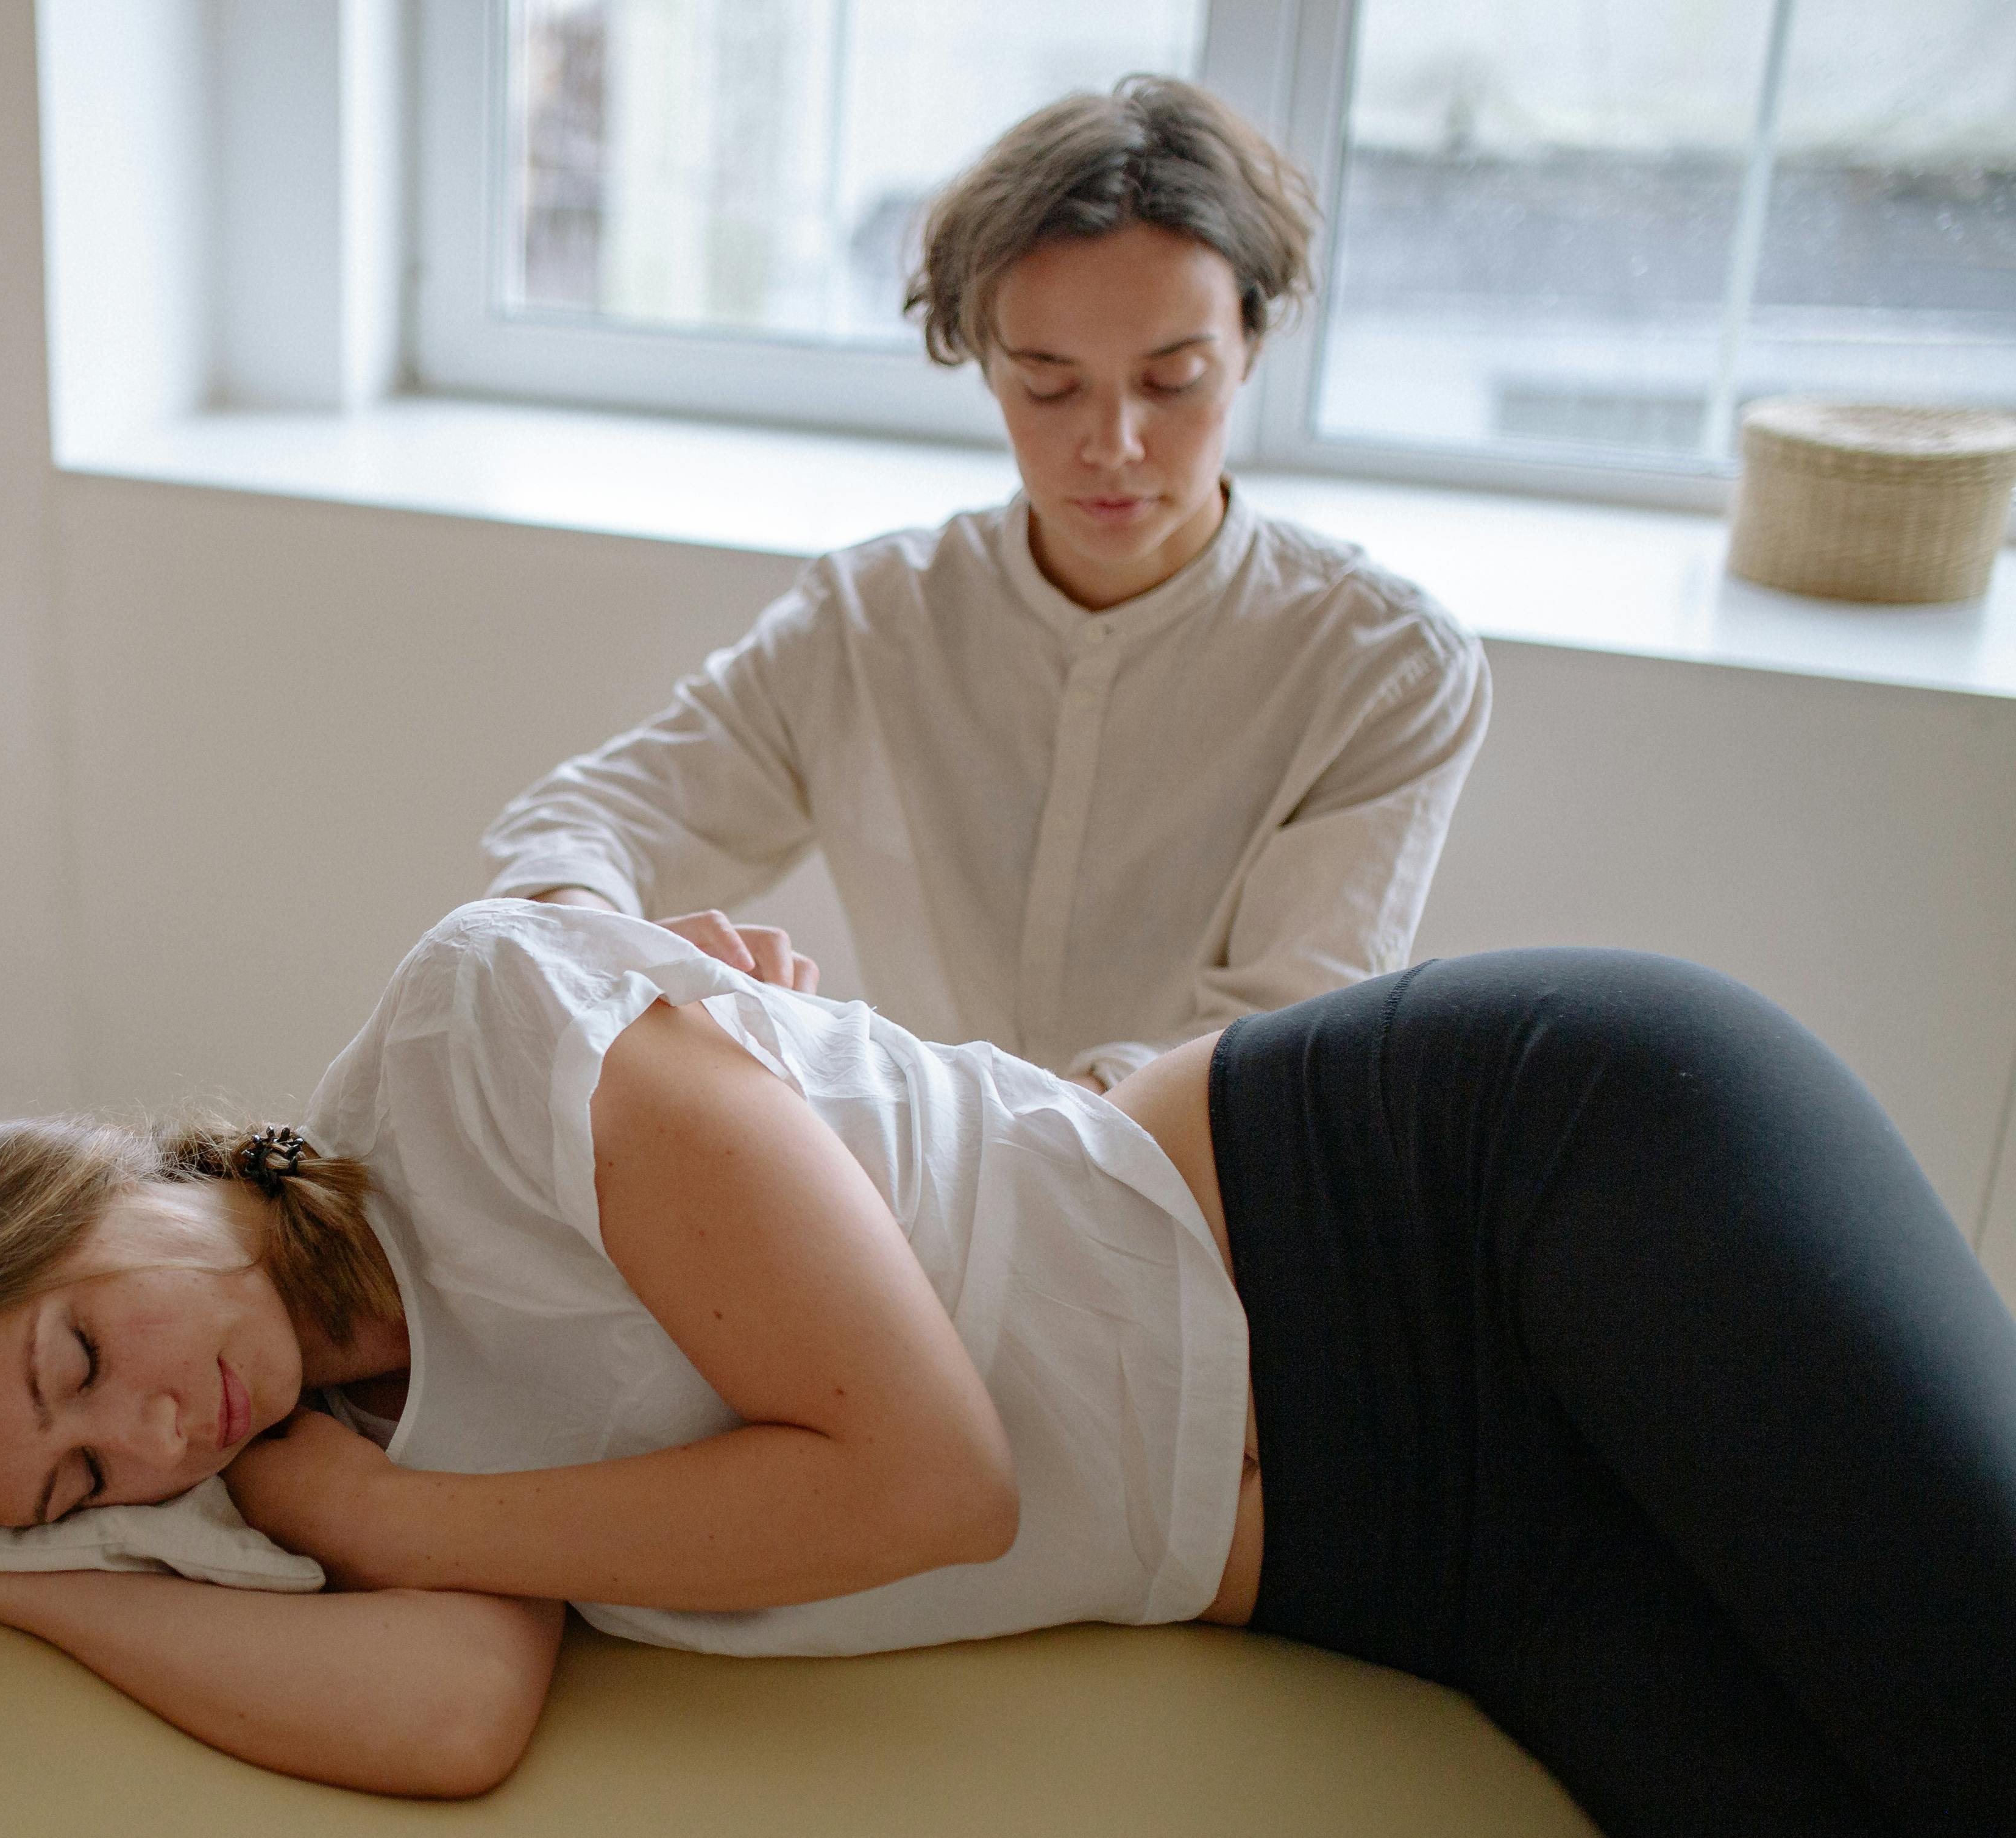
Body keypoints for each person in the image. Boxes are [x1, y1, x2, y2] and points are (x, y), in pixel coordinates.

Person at [0, 898, 2016, 1838]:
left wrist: (395, 1509)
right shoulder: (297, 1450)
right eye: (76, 1483)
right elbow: (444, 1714)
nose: (148, 1432)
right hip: (1448, 1569)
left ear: (81, 1175)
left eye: (72, 1358)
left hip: (1496, 1198)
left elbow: (931, 1474)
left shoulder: (482, 1044)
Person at [482, 77, 1492, 1090]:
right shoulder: (872, 621)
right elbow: (588, 822)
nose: (1113, 445)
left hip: (1194, 1216)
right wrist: (609, 947)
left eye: (1172, 380)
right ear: (983, 361)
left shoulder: (1386, 669)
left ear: (1251, 345)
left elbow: (1263, 1055)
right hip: (910, 1190)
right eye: (1050, 385)